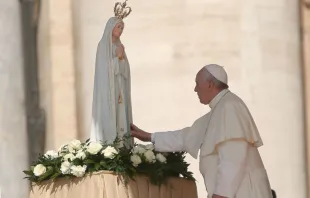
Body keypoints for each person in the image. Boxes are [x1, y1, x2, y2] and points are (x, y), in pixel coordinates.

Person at [131, 64, 273, 198]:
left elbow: (233, 158)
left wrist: (221, 195)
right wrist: (149, 136)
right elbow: (185, 137)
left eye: (197, 84)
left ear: (210, 84)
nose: (195, 89)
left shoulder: (230, 106)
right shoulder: (220, 109)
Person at [90, 0, 133, 148]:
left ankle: (122, 147)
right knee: (110, 116)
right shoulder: (103, 46)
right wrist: (118, 58)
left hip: (120, 87)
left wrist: (121, 58)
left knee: (121, 117)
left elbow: (125, 70)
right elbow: (105, 69)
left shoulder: (120, 46)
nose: (120, 30)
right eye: (118, 26)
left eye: (122, 27)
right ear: (111, 27)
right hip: (108, 90)